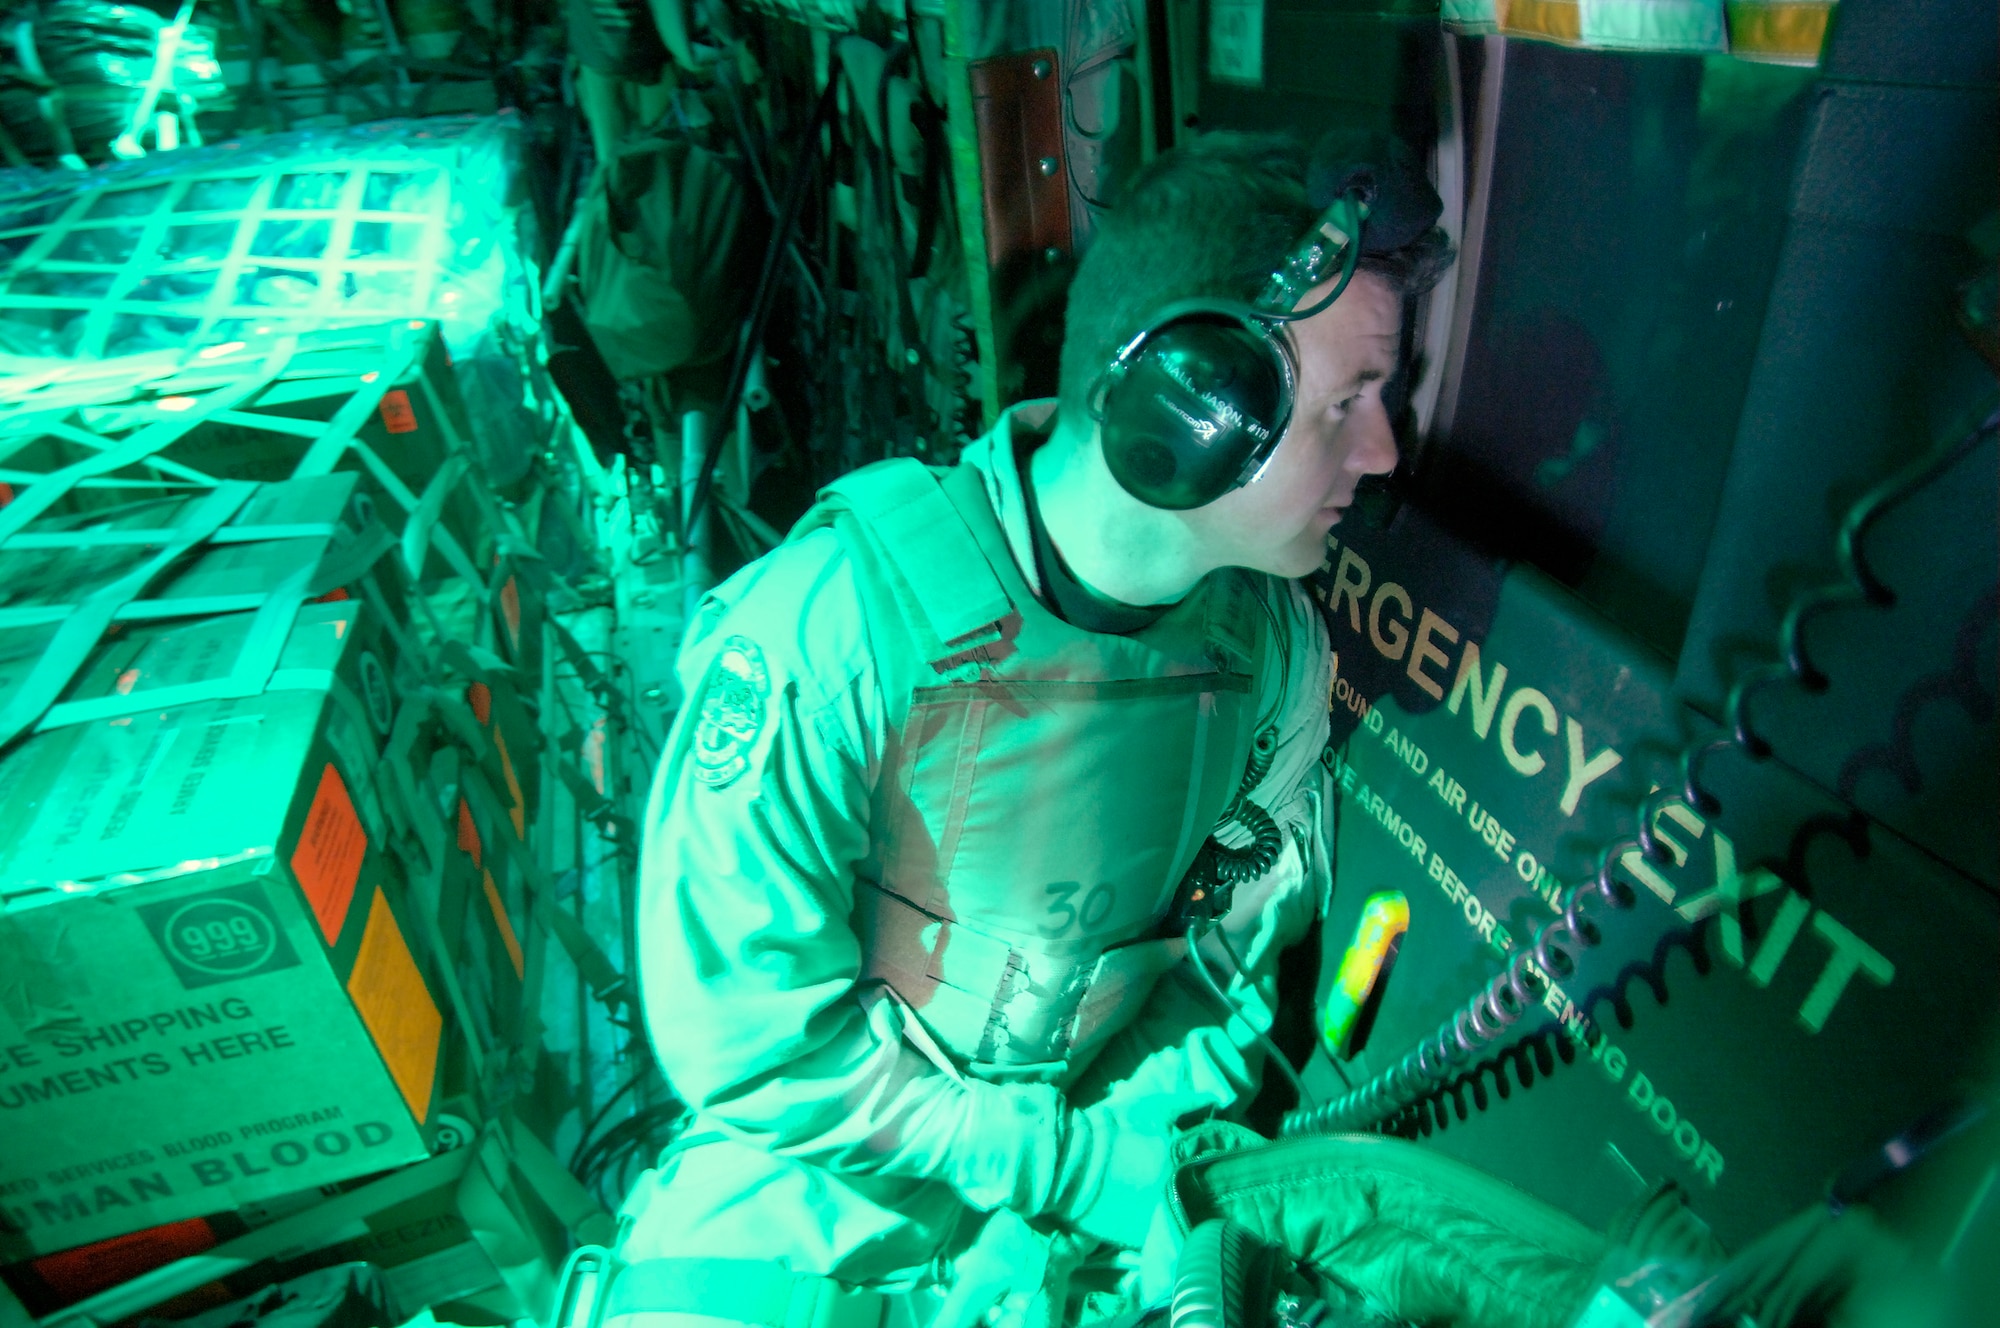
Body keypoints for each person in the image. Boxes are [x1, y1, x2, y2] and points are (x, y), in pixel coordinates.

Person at [605, 131, 1453, 1328]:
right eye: (1349, 402)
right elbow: (748, 1047)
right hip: (819, 1190)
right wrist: (1059, 1163)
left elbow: (1221, 965)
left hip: (1099, 1190)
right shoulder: (831, 631)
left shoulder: (1272, 658)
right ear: (1187, 406)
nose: (1380, 452)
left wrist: (1134, 1160)